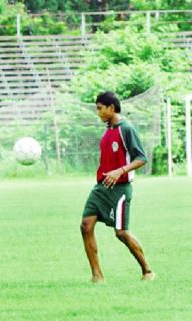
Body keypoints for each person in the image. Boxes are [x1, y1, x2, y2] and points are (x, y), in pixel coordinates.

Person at [80, 91, 155, 283]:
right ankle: (97, 276)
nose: (98, 112)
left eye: (99, 108)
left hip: (120, 189)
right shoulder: (108, 130)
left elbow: (141, 158)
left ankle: (147, 271)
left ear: (111, 108)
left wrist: (119, 171)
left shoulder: (126, 128)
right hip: (100, 188)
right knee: (86, 226)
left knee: (121, 233)